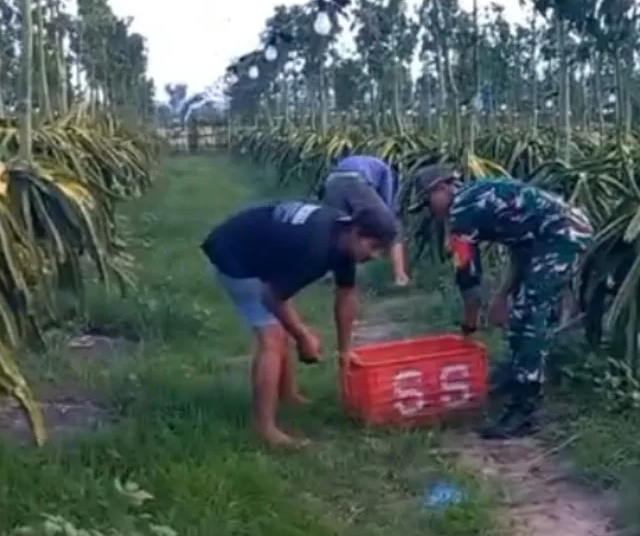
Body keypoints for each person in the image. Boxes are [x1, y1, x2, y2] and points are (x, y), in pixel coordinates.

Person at [411, 165, 593, 439]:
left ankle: (525, 408)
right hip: (546, 237)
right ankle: (516, 374)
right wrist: (501, 297)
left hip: (562, 236)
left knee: (531, 316)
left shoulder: (463, 210)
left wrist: (469, 328)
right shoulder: (476, 196)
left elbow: (469, 279)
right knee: (520, 312)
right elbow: (521, 248)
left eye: (428, 200)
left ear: (444, 187)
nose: (430, 209)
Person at [202, 200, 397, 447]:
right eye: (374, 247)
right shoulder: (315, 248)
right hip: (232, 253)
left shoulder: (342, 236)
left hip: (261, 252)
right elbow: (272, 298)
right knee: (272, 337)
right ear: (356, 231)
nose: (375, 256)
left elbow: (346, 295)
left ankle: (288, 395)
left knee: (283, 327)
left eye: (381, 251)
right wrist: (303, 336)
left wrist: (344, 351)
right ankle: (265, 428)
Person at [320, 152, 410, 286]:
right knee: (392, 224)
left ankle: (331, 271)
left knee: (341, 229)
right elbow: (388, 203)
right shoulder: (386, 170)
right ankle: (400, 275)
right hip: (356, 181)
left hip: (331, 181)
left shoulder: (365, 162)